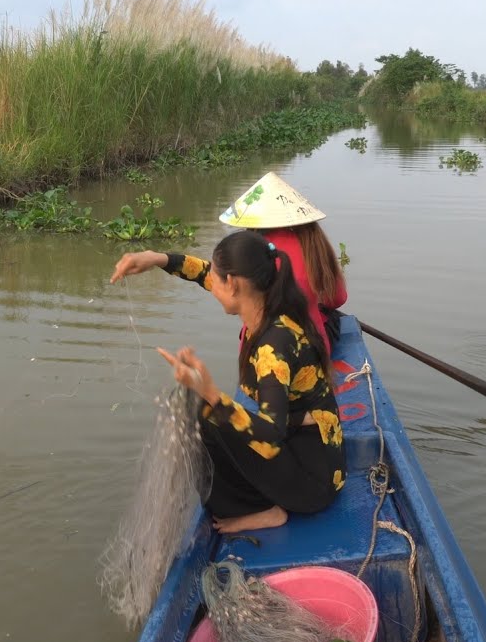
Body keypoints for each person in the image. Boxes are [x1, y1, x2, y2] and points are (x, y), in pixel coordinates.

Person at [155, 230, 346, 534]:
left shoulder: (273, 347)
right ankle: (260, 498)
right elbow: (203, 272)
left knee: (200, 413)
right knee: (206, 409)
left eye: (217, 281)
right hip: (316, 455)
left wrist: (212, 394)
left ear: (233, 284)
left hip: (313, 484)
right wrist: (157, 259)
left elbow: (271, 434)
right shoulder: (270, 305)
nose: (211, 284)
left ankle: (263, 510)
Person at [111, 172, 347, 357]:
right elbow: (338, 299)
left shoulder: (259, 250)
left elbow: (212, 278)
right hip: (318, 354)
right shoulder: (315, 244)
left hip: (273, 366)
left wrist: (157, 258)